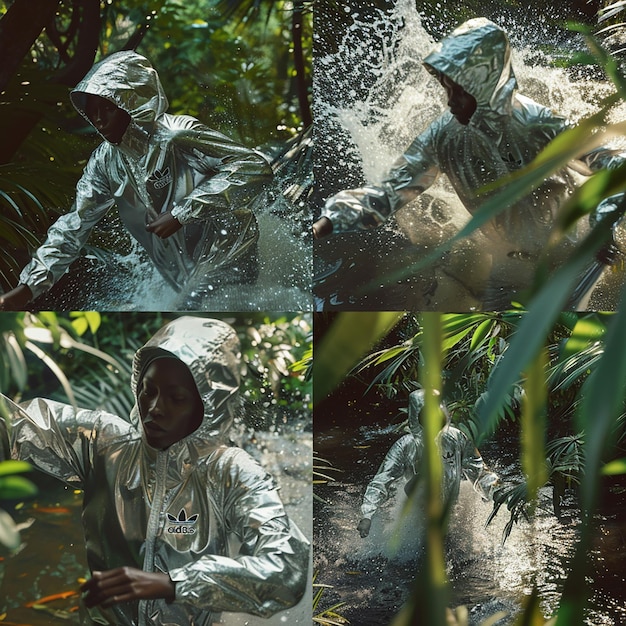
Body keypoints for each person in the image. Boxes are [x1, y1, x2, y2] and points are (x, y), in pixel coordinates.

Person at [0, 316, 309, 625]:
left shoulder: (230, 471)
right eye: (148, 391)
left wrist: (173, 584)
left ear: (208, 404)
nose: (155, 408)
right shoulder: (105, 444)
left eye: (176, 398)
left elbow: (287, 569)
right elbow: (14, 425)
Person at [314, 18, 625, 307]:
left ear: (486, 83)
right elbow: (388, 193)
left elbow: (612, 164)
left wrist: (603, 218)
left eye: (460, 91)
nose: (451, 100)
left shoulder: (538, 122)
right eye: (447, 88)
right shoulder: (441, 136)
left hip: (576, 257)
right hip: (508, 269)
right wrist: (328, 221)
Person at [0, 51, 273, 311]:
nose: (98, 120)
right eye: (92, 111)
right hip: (181, 273)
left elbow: (252, 166)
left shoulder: (177, 135)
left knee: (194, 305)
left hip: (230, 248)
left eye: (107, 108)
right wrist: (29, 287)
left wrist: (182, 213)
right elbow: (74, 225)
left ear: (130, 103)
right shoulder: (105, 163)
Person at [356, 389, 498, 538]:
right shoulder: (404, 446)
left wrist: (498, 492)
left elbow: (479, 472)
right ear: (416, 418)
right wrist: (367, 515)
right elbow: (381, 481)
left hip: (450, 506)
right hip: (419, 509)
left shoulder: (456, 438)